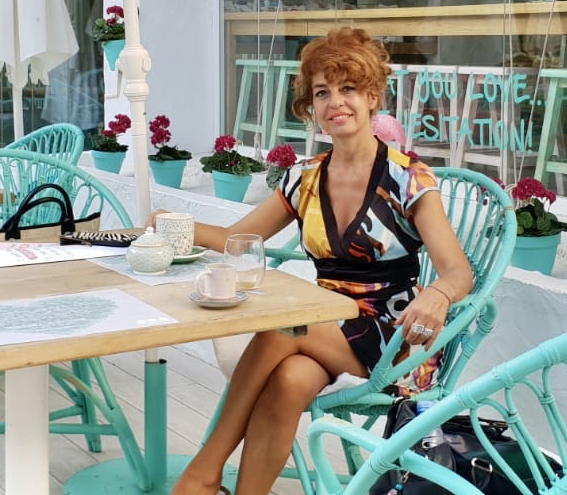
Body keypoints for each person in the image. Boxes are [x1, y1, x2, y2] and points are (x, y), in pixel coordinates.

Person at [167, 27, 474, 495]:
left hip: (395, 337)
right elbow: (236, 239)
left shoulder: (407, 178)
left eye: (348, 88)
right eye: (322, 92)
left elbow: (458, 272)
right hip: (326, 325)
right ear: (311, 107)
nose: (336, 102)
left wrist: (437, 294)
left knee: (281, 329)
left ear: (372, 97)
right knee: (289, 381)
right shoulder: (304, 178)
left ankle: (202, 474)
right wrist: (169, 225)